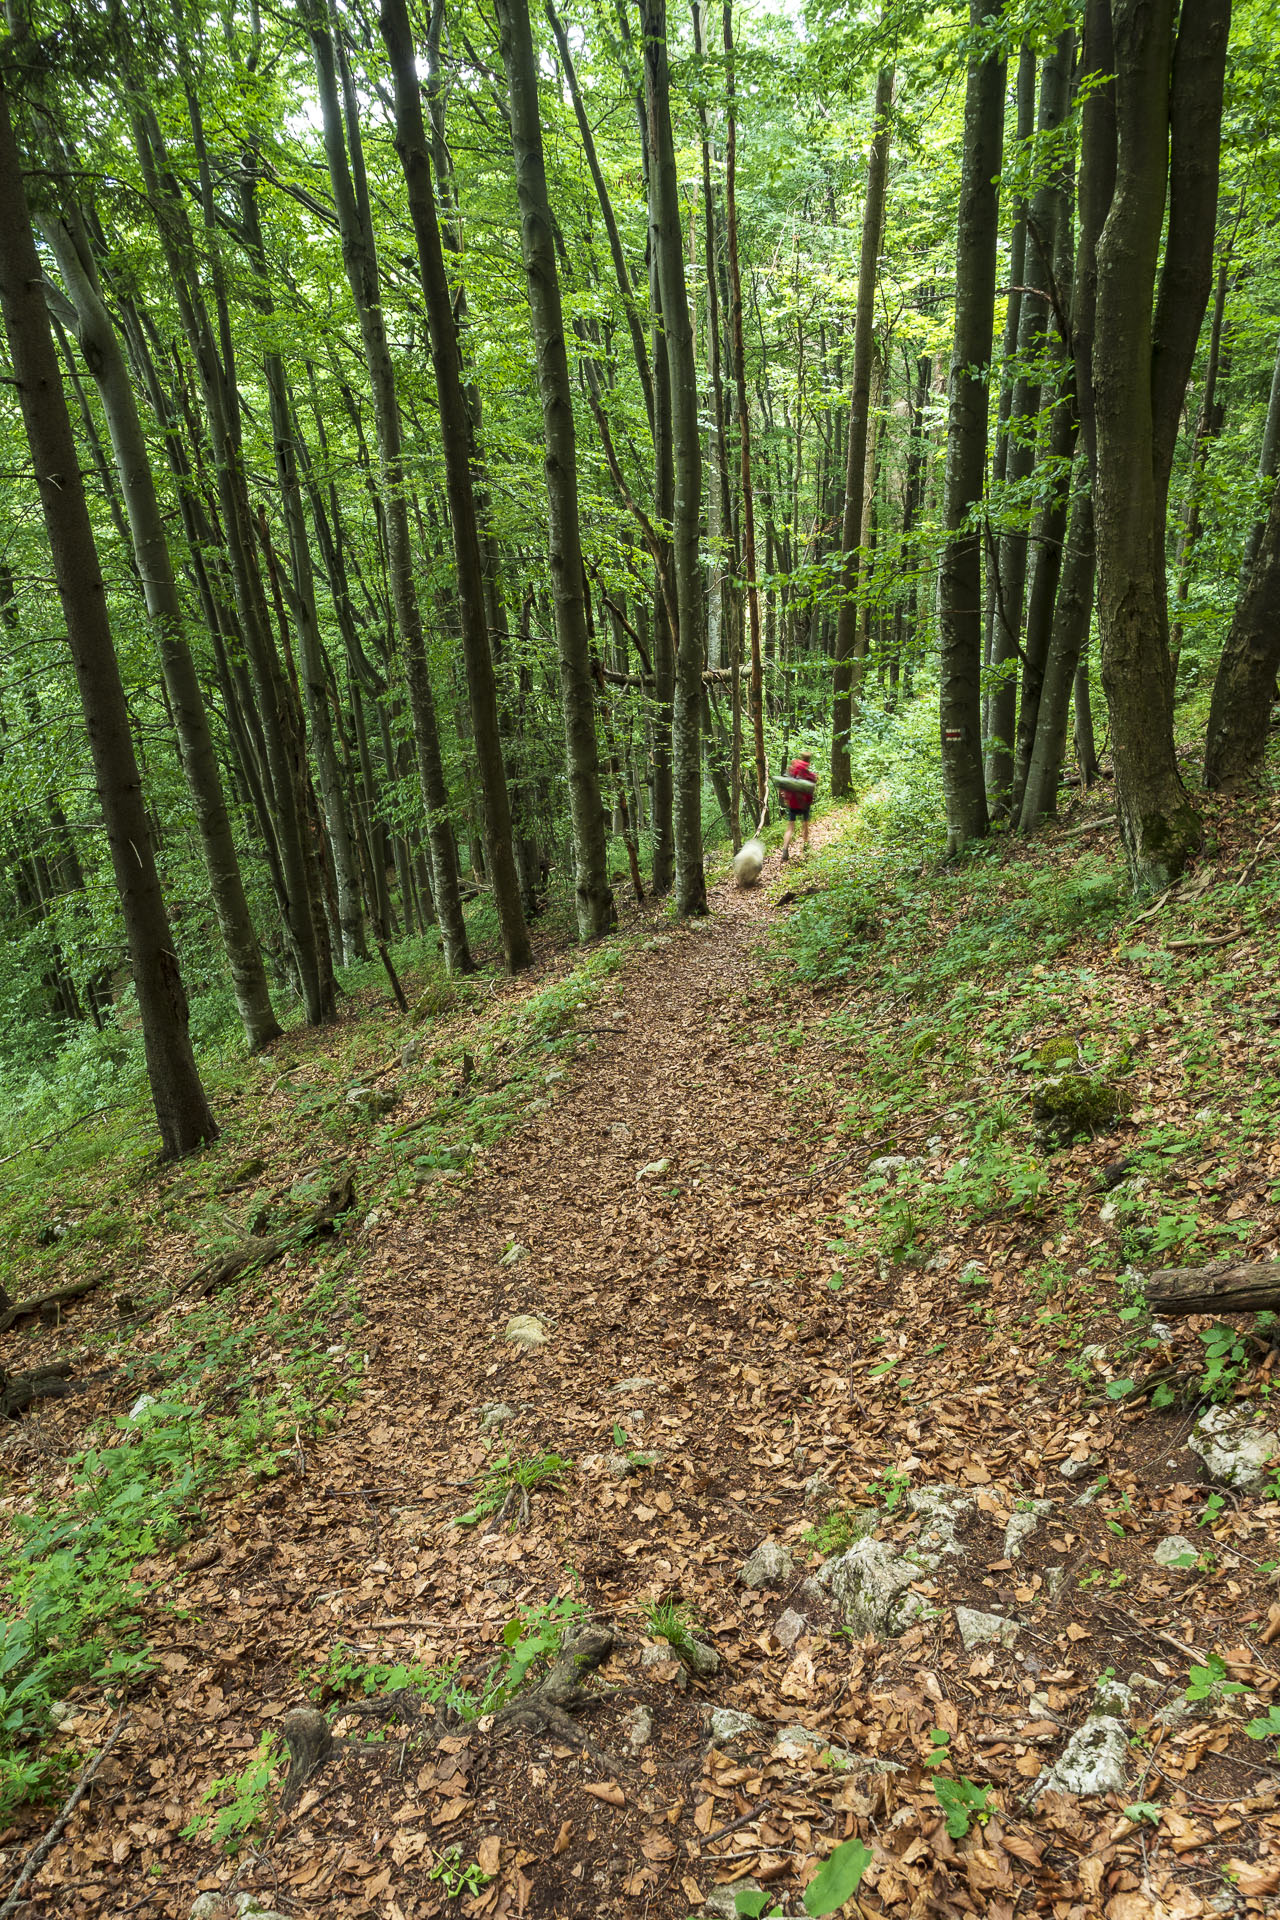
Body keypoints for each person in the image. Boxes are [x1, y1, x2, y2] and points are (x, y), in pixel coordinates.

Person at [780, 753, 817, 861]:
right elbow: (812, 787)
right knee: (805, 825)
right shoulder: (808, 772)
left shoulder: (793, 768)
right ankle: (805, 848)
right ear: (809, 761)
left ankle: (785, 850)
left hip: (792, 802)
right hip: (804, 804)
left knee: (790, 827)